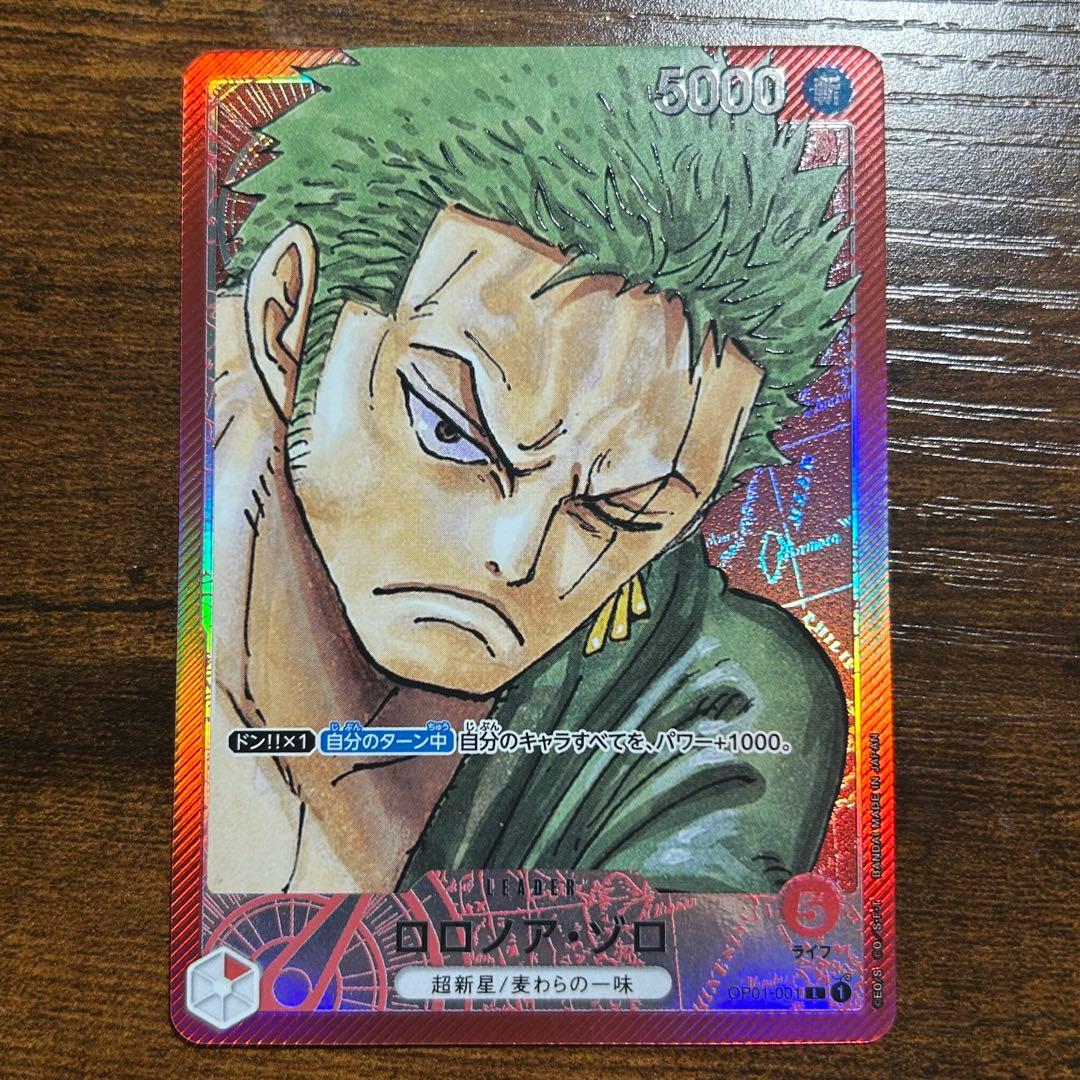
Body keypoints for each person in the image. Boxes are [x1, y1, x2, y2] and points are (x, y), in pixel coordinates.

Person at [206, 48, 851, 895]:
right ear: (283, 317)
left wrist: (308, 767)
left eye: (619, 511)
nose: (513, 556)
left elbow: (691, 961)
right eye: (449, 430)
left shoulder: (722, 694)